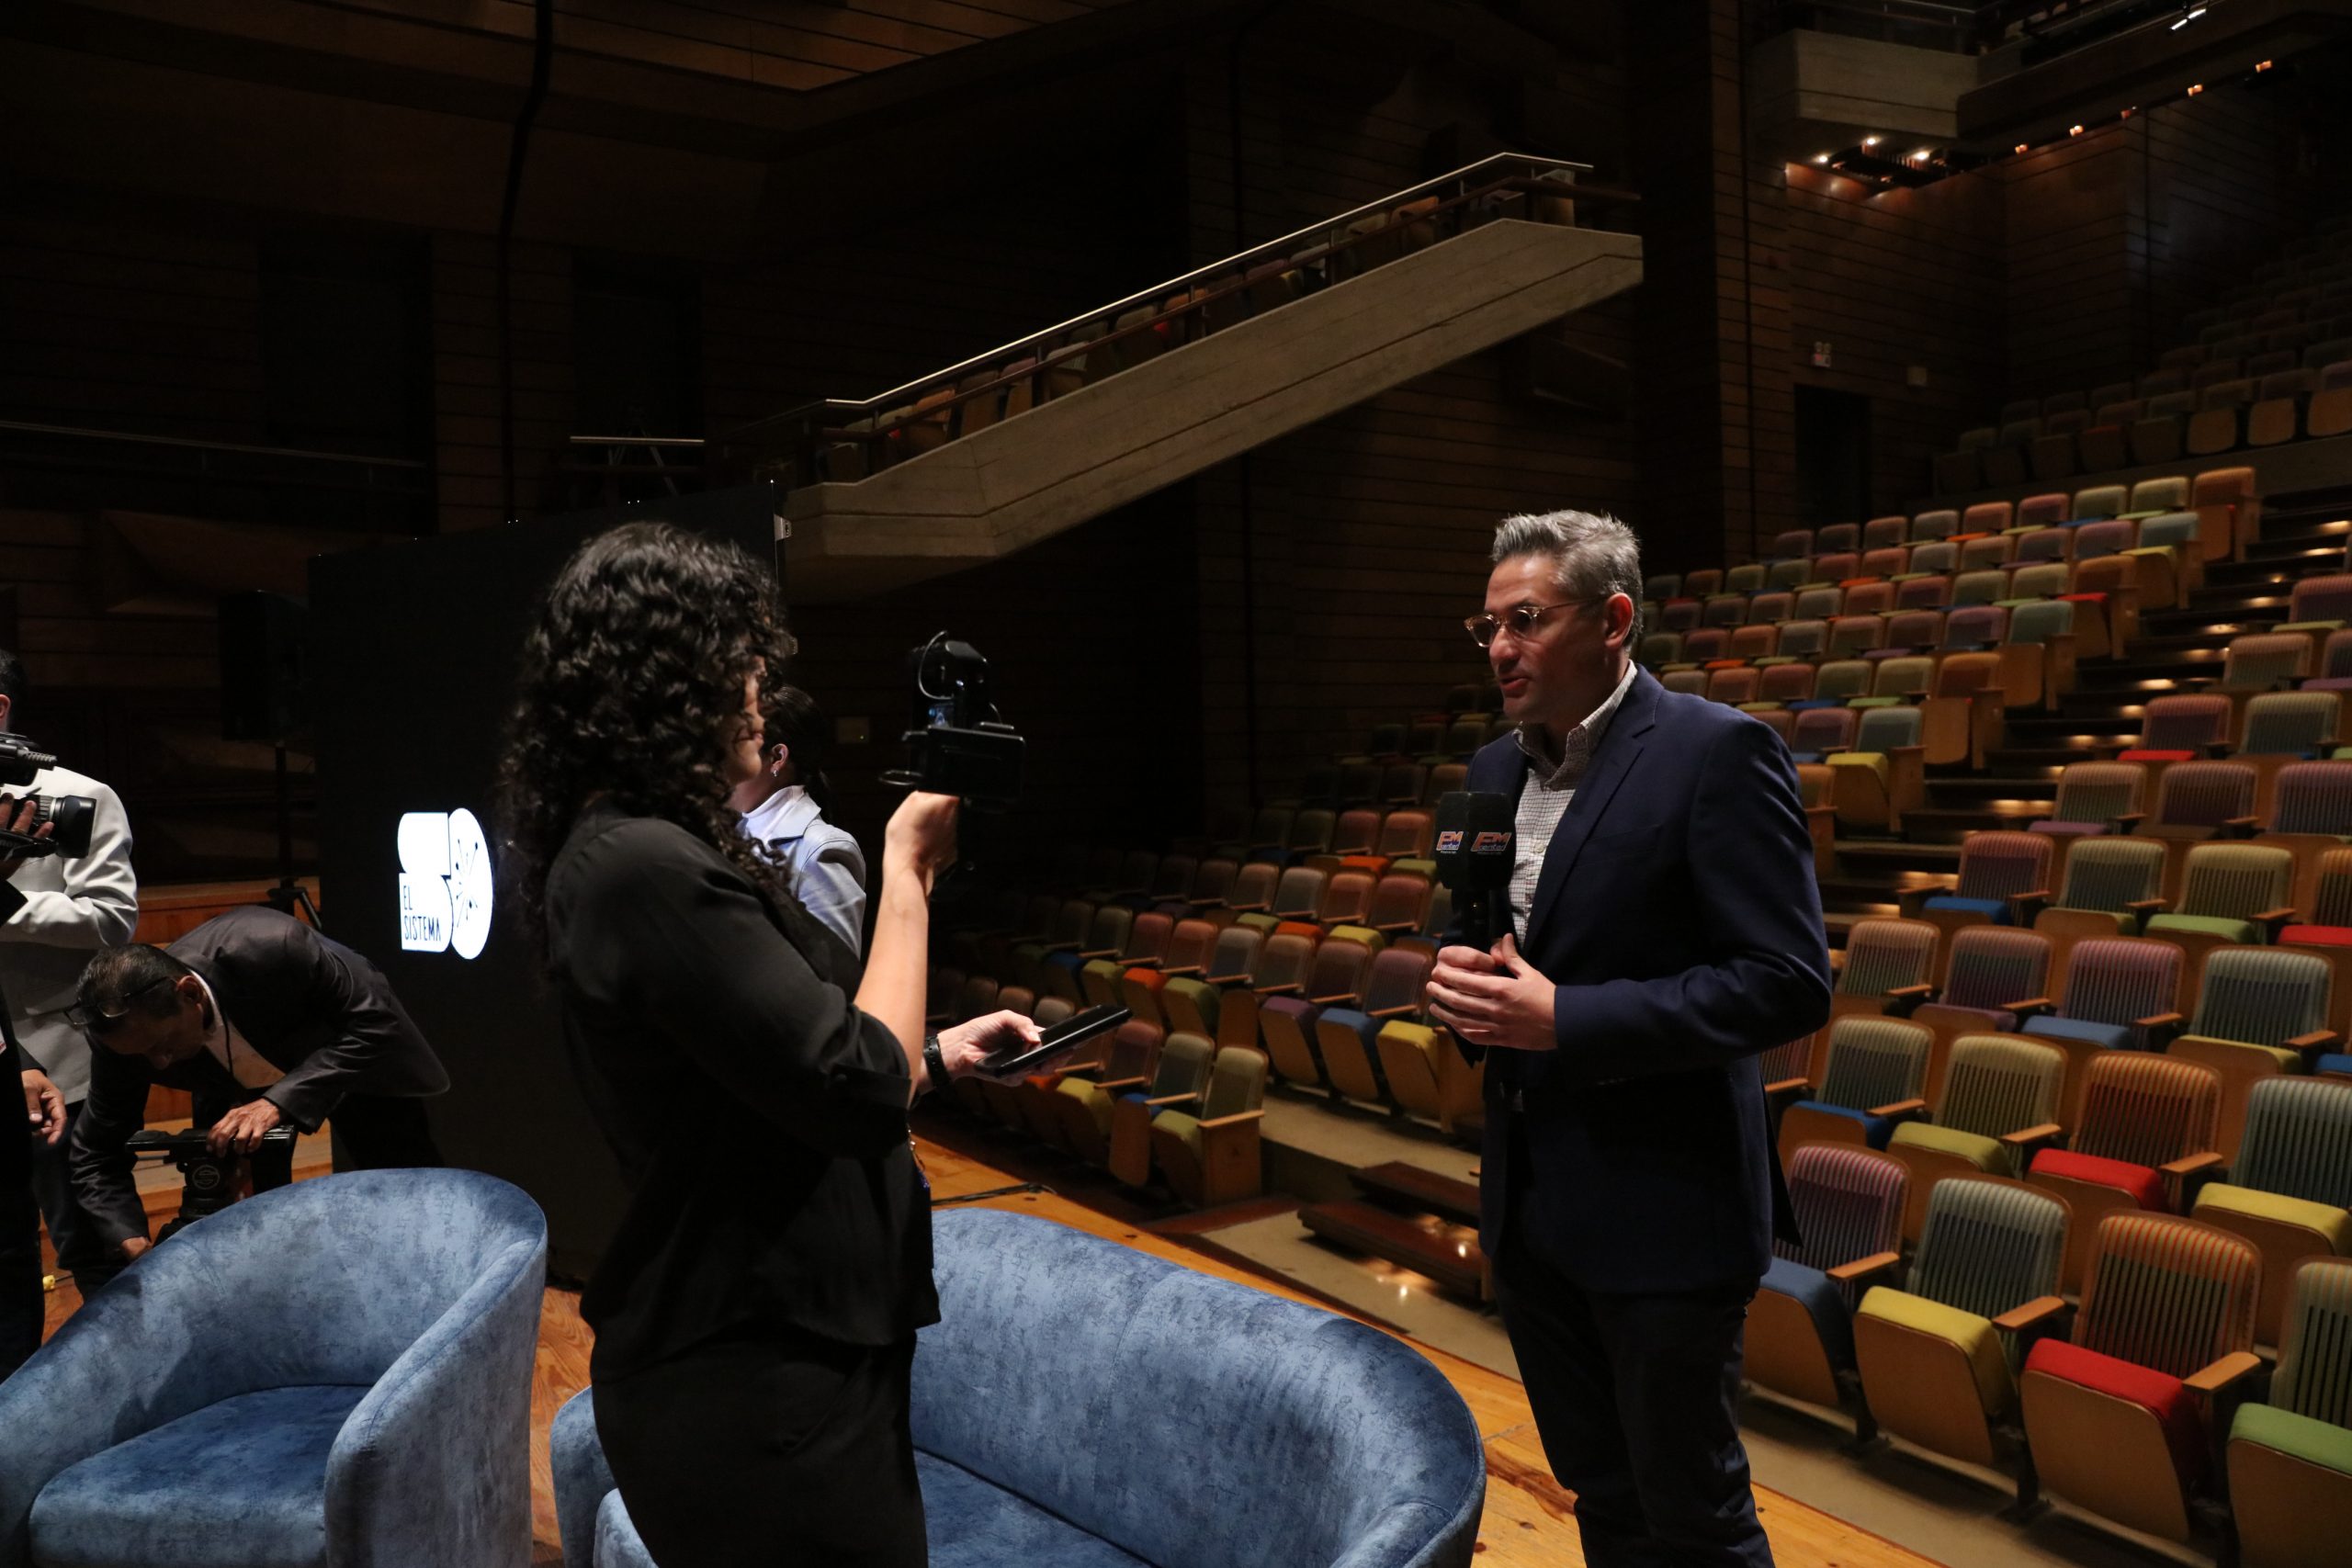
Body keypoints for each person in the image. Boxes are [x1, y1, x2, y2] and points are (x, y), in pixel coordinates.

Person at [496, 521, 1052, 1568]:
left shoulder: (650, 850)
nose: (757, 691)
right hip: (753, 1385)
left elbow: (771, 1083)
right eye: (736, 663)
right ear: (664, 681)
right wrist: (909, 869)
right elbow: (854, 1087)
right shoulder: (641, 867)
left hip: (793, 1359)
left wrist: (930, 1057)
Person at [1425, 510, 1831, 1568]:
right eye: (1488, 627)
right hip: (1532, 1209)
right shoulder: (1492, 772)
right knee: (1599, 1496)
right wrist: (1456, 988)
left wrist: (1566, 1020)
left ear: (1611, 620)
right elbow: (1486, 943)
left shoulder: (1714, 752)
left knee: (1692, 1514)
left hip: (1665, 1214)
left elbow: (1784, 984)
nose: (1501, 648)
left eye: (1525, 620)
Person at [66, 906, 450, 1268]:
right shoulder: (124, 1039)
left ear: (190, 994)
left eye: (161, 1046)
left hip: (348, 1063)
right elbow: (96, 1151)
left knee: (410, 1200)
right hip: (225, 1087)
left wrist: (276, 1102)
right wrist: (131, 1240)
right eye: (143, 1056)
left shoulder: (272, 945)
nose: (159, 1064)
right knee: (247, 1226)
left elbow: (376, 1024)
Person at [0, 648, 141, 1305]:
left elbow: (111, 920)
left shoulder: (81, 798)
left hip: (61, 1068)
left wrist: (4, 906)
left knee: (88, 1245)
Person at [730, 682, 867, 955]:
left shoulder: (819, 849)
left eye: (739, 743)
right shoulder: (737, 831)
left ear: (778, 757)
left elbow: (837, 978)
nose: (722, 764)